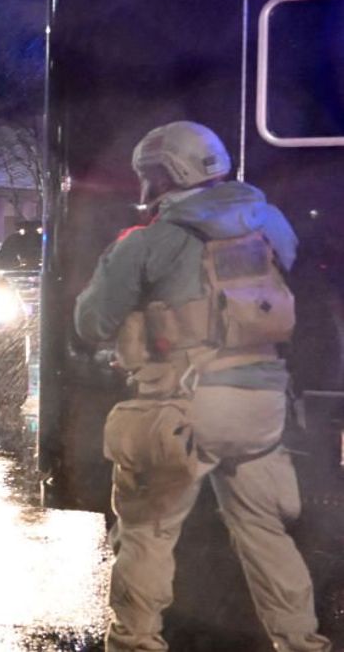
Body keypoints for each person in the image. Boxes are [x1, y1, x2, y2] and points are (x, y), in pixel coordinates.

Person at [74, 121, 328, 651]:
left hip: (183, 408)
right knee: (265, 534)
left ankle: (135, 644)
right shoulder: (268, 222)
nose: (145, 184)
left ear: (169, 174)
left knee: (147, 534)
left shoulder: (149, 241)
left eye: (150, 173)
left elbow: (92, 322)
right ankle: (301, 643)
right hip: (261, 407)